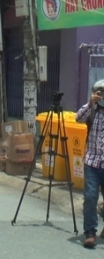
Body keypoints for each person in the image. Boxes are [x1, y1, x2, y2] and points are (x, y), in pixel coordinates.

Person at [75, 79, 104, 248]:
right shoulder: (92, 111)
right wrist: (90, 103)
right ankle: (90, 231)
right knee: (91, 197)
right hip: (92, 162)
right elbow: (78, 118)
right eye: (100, 92)